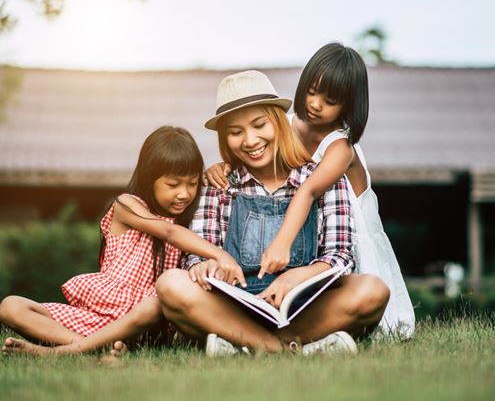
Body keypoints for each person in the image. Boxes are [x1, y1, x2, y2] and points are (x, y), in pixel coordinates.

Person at [155, 71, 390, 356]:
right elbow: (198, 250)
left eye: (259, 125)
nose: (250, 140)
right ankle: (286, 348)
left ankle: (246, 345)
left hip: (302, 309)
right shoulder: (218, 185)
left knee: (372, 290)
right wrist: (203, 265)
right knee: (171, 284)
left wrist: (296, 277)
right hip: (231, 308)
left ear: (278, 122)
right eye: (235, 132)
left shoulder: (322, 179)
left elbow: (340, 256)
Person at [206, 44, 415, 339]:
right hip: (304, 226)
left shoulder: (340, 145)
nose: (316, 104)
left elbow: (307, 191)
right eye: (312, 92)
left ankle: (290, 336)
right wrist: (222, 167)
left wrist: (281, 243)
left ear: (349, 106)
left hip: (345, 229)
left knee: (365, 295)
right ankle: (277, 337)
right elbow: (251, 149)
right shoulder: (287, 123)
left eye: (330, 100)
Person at [0, 126, 244, 357]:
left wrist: (215, 171)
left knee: (152, 307)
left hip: (145, 318)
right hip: (99, 312)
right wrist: (219, 254)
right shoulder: (127, 205)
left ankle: (61, 352)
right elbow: (168, 233)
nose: (184, 193)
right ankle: (96, 347)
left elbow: (214, 184)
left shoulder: (190, 218)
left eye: (192, 184)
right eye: (173, 184)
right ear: (150, 179)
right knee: (11, 306)